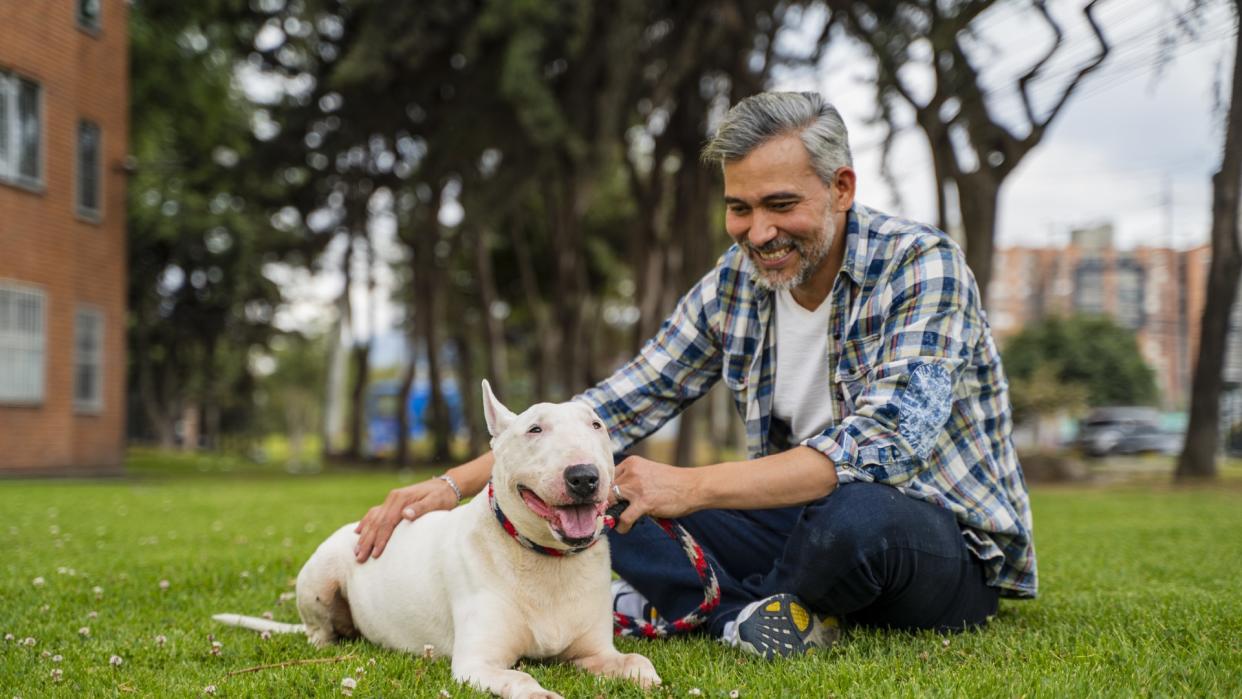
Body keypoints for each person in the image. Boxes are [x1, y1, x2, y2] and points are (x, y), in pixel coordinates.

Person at [352, 91, 1035, 659]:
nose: (758, 231)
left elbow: (884, 445)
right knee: (599, 499)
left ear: (842, 188)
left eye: (780, 204)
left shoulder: (923, 266)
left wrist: (694, 485)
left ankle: (712, 599)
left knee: (850, 522)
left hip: (931, 537)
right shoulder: (733, 285)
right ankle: (755, 614)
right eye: (740, 207)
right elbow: (616, 405)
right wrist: (447, 486)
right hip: (789, 519)